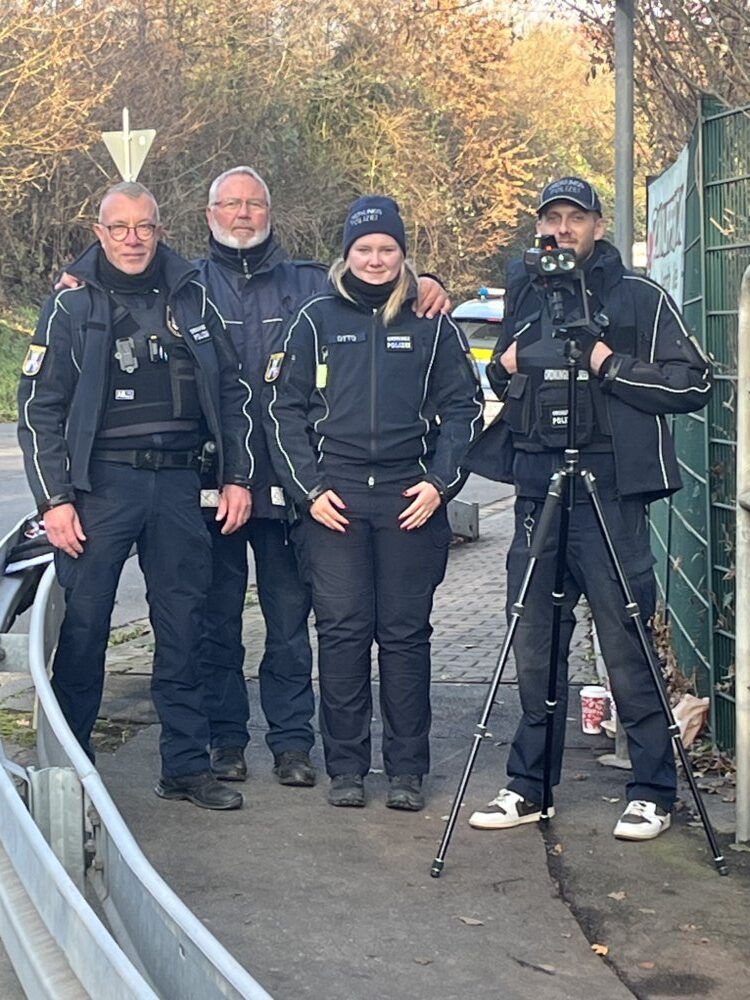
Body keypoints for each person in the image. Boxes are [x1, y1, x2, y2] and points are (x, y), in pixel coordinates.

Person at [466, 176, 712, 840]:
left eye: (575, 218)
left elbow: (694, 382)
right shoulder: (525, 294)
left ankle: (653, 790)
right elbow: (503, 377)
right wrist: (503, 366)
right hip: (537, 486)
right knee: (533, 642)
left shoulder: (637, 296)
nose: (562, 230)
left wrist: (608, 362)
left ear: (598, 226)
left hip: (610, 490)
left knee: (626, 642)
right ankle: (529, 786)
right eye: (552, 219)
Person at [196, 168, 452, 787]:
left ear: (271, 211)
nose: (242, 214)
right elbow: (125, 271)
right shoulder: (188, 285)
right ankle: (229, 742)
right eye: (230, 204)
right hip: (222, 481)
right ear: (209, 213)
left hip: (299, 494)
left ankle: (295, 746)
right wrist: (82, 272)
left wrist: (431, 284)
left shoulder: (309, 284)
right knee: (218, 623)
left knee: (294, 626)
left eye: (254, 203)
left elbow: (382, 285)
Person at [18, 181, 254, 811]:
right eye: (118, 227)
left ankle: (185, 766)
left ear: (159, 230)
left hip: (179, 485)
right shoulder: (72, 305)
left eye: (143, 226)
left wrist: (237, 477)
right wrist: (55, 501)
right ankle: (71, 774)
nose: (132, 239)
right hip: (100, 487)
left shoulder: (193, 297)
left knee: (183, 627)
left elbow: (232, 394)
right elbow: (40, 410)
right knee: (85, 628)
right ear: (100, 233)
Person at [266, 195, 484, 810]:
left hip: (408, 498)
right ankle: (346, 768)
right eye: (364, 249)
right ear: (347, 254)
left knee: (405, 636)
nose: (375, 259)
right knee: (341, 635)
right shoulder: (315, 319)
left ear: (403, 254)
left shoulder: (431, 321)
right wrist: (310, 490)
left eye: (387, 248)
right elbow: (283, 411)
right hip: (333, 500)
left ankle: (408, 771)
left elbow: (464, 409)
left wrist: (440, 484)